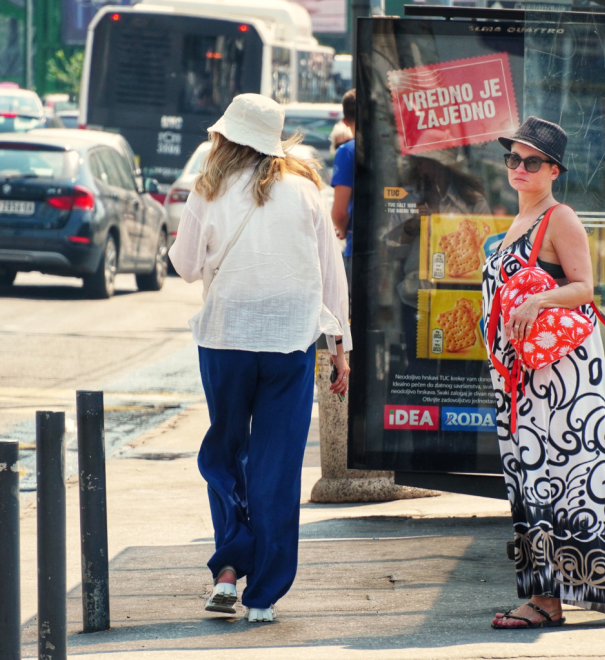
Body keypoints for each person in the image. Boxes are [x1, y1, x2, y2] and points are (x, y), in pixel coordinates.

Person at [168, 93, 352, 624]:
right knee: (277, 465)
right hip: (291, 341)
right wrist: (341, 349)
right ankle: (264, 596)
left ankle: (229, 568)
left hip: (226, 338)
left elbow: (183, 267)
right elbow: (330, 276)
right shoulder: (306, 191)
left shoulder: (209, 189)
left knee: (225, 454)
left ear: (225, 137)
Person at [483, 117, 605, 628]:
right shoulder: (518, 221)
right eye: (513, 159)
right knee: (531, 481)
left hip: (558, 381)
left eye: (532, 161)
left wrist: (542, 297)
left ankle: (546, 601)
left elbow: (585, 287)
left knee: (558, 479)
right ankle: (543, 596)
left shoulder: (558, 217)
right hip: (523, 381)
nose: (519, 168)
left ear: (554, 170)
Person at [330, 89, 356, 285]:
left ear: (345, 122)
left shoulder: (347, 152)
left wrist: (342, 227)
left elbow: (339, 212)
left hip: (359, 248)